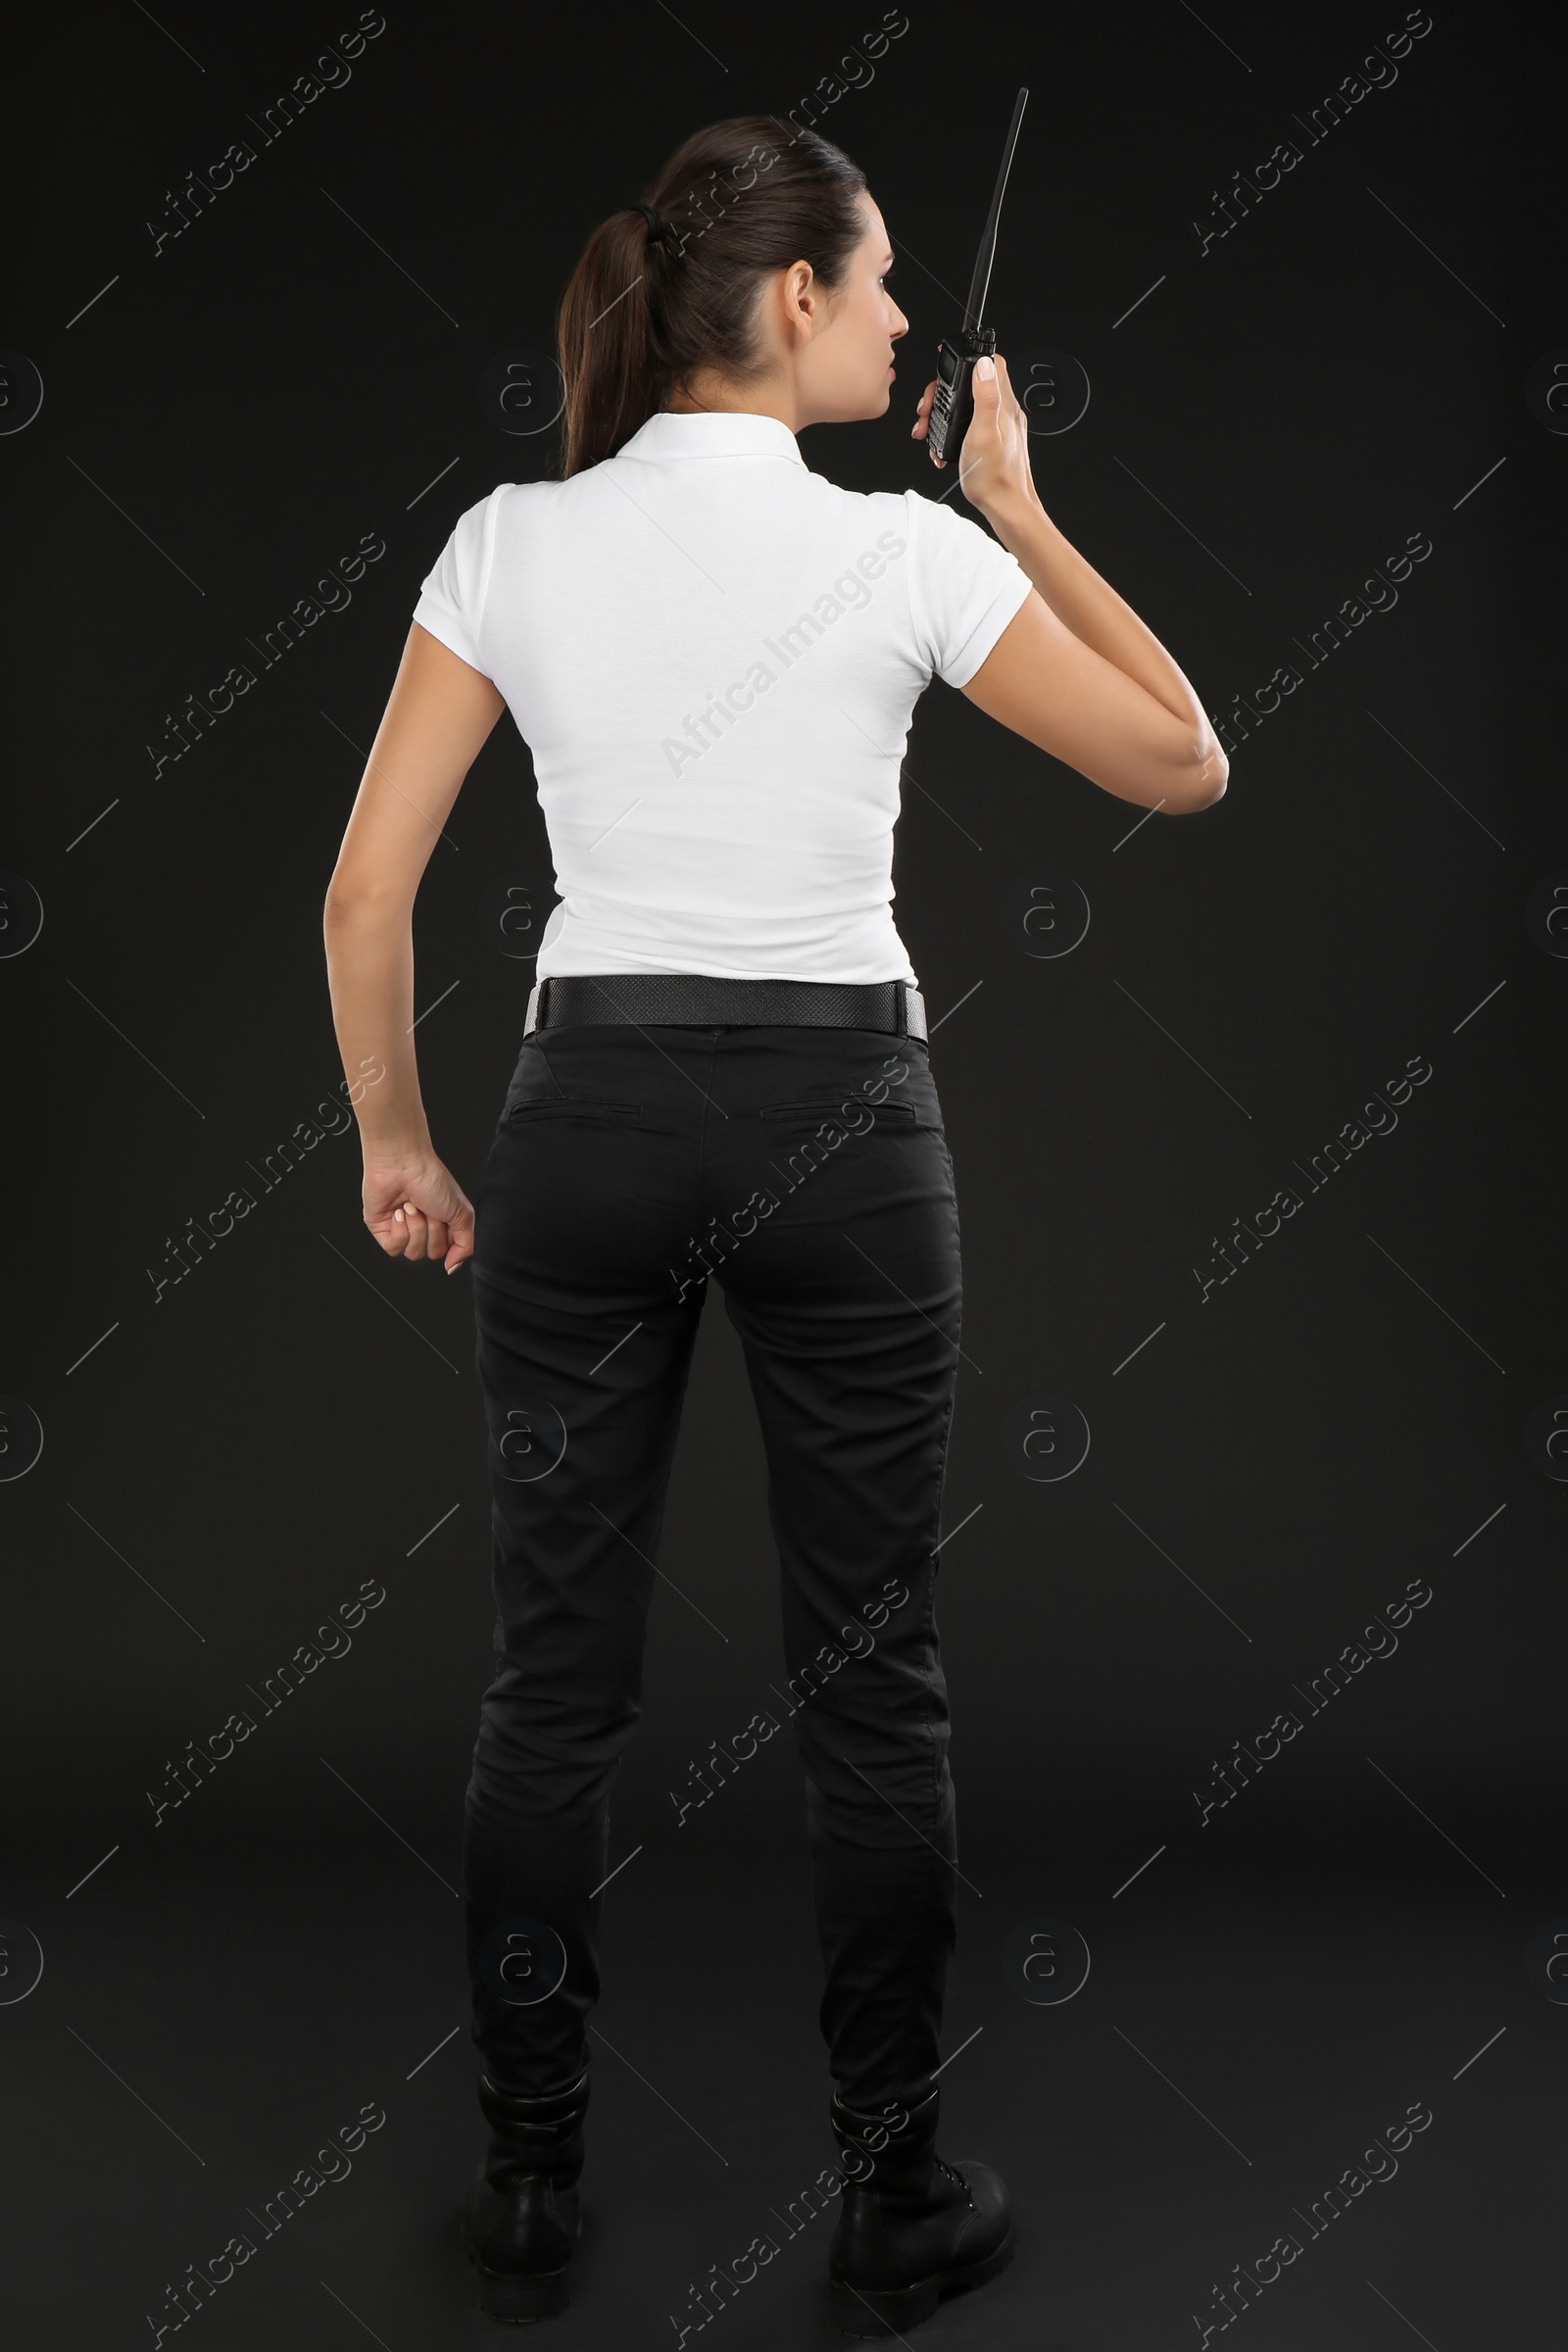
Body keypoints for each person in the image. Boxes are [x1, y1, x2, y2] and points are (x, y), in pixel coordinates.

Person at [321, 113, 1227, 2337]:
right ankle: (891, 2195)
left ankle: (528, 2190)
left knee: (550, 1686)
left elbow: (363, 891)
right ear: (797, 302)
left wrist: (398, 1146)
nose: (913, 322)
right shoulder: (901, 555)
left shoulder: (509, 540)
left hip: (585, 1120)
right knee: (870, 1680)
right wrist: (1012, 508)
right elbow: (1184, 757)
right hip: (844, 1123)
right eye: (886, 282)